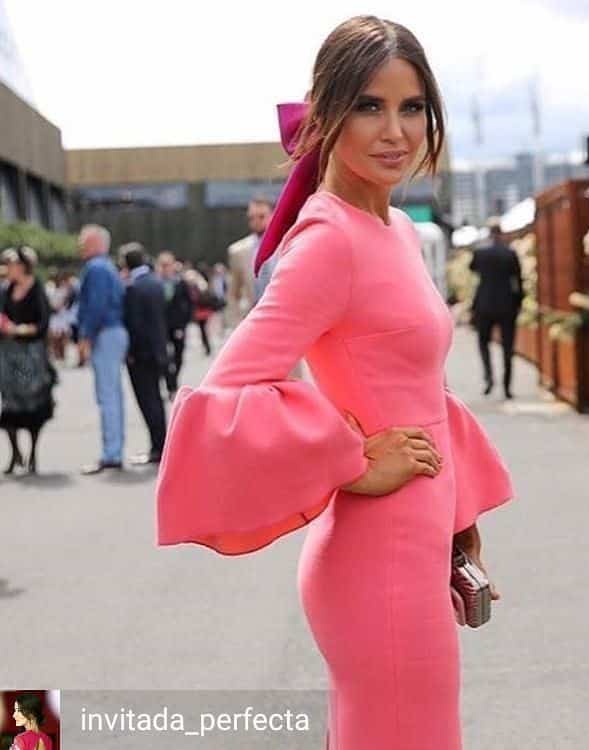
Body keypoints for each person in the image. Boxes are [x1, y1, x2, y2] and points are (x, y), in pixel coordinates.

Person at [155, 15, 515, 750]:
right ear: (326, 115)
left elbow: (410, 388)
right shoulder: (328, 243)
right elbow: (221, 399)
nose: (396, 130)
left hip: (413, 548)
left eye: (411, 107)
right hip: (375, 564)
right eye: (369, 106)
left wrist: (454, 518)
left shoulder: (396, 230)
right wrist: (350, 460)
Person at [76, 224, 129, 474]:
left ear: (96, 243)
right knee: (114, 395)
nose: (80, 245)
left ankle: (111, 453)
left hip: (105, 332)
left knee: (107, 395)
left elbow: (94, 305)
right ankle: (114, 449)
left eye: (84, 241)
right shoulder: (107, 267)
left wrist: (85, 336)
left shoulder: (95, 268)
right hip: (114, 331)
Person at [0, 247, 57, 475]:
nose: (7, 268)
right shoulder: (6, 290)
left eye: (11, 264)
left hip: (31, 354)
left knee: (34, 403)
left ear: (22, 266)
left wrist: (21, 329)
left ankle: (32, 453)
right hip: (9, 353)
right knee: (9, 404)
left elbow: (43, 323)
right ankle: (15, 452)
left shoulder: (36, 289)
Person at [120, 243, 169, 465]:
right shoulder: (156, 283)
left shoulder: (133, 288)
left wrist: (130, 352)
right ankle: (161, 444)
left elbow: (135, 325)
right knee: (156, 400)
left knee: (147, 401)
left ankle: (157, 448)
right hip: (158, 350)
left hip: (140, 355)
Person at [469, 218, 523, 397]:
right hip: (507, 304)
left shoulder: (480, 253)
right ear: (501, 233)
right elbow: (518, 282)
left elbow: (472, 269)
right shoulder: (510, 253)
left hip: (484, 304)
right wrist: (518, 303)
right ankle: (507, 386)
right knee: (508, 347)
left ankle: (489, 377)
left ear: (489, 233)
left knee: (483, 343)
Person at [226, 197, 277, 326]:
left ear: (273, 215)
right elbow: (233, 293)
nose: (256, 221)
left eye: (261, 216)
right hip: (253, 319)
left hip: (282, 316)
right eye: (251, 217)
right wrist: (236, 324)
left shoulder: (288, 243)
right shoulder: (238, 251)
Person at [156, 251, 194, 398]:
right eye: (163, 265)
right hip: (161, 326)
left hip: (178, 325)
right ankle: (171, 385)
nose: (165, 268)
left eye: (168, 265)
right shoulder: (156, 284)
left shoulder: (180, 283)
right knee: (164, 357)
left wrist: (184, 324)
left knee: (178, 356)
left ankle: (174, 379)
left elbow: (189, 303)